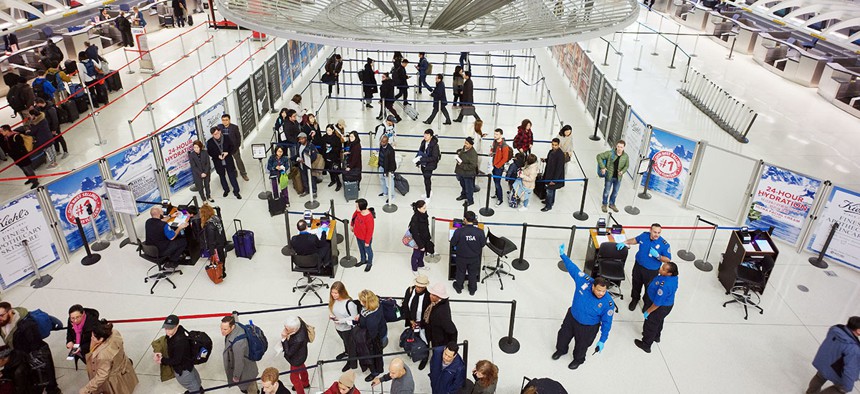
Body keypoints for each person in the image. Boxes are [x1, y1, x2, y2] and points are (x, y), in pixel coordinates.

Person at [553, 244, 615, 370]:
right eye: (599, 290)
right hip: (572, 317)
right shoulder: (584, 281)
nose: (601, 294)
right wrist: (563, 255)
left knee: (582, 346)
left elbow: (607, 322)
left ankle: (578, 359)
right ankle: (561, 350)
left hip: (588, 327)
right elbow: (573, 269)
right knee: (563, 336)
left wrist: (603, 340)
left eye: (604, 291)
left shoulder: (608, 304)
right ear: (593, 286)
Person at [618, 223, 672, 312]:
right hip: (638, 266)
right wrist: (625, 242)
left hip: (651, 271)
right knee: (636, 284)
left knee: (649, 288)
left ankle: (647, 304)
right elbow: (635, 240)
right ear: (650, 230)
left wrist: (658, 256)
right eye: (655, 232)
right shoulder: (644, 236)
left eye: (659, 233)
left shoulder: (664, 244)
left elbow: (668, 259)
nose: (656, 235)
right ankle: (635, 299)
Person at [9, 307, 60, 394]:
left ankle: (52, 389)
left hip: (34, 352)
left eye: (2, 315)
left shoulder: (26, 324)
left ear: (9, 312)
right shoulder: (6, 322)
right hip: (25, 352)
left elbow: (35, 343)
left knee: (44, 373)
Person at [81, 320, 140, 394]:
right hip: (122, 368)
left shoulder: (102, 355)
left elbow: (102, 375)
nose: (92, 338)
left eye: (93, 337)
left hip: (113, 380)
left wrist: (86, 389)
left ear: (101, 339)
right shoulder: (114, 333)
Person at [807, 316, 860, 394]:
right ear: (858, 330)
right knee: (839, 389)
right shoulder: (853, 349)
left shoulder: (835, 330)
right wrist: (847, 387)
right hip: (836, 370)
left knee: (819, 378)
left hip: (824, 362)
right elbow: (850, 370)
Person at [634, 262, 679, 353]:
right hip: (666, 305)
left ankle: (646, 344)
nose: (660, 269)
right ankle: (656, 336)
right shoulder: (673, 277)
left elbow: (658, 303)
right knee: (659, 321)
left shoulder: (665, 286)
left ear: (669, 273)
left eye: (663, 269)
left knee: (650, 324)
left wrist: (649, 311)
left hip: (659, 307)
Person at [155, 315, 202, 392]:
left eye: (170, 328)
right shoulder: (179, 331)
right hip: (189, 366)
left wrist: (162, 360)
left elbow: (176, 361)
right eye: (166, 328)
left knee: (194, 388)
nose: (167, 331)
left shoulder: (180, 343)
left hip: (183, 371)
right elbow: (166, 339)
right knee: (196, 383)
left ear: (177, 326)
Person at [450, 211, 486, 295]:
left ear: (464, 220)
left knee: (460, 272)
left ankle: (459, 287)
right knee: (472, 273)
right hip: (474, 258)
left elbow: (453, 243)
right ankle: (472, 289)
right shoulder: (480, 232)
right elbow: (483, 244)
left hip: (461, 257)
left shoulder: (459, 231)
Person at [221, 315, 259, 394]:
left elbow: (239, 362)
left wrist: (236, 376)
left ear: (232, 327)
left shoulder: (238, 343)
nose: (222, 331)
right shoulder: (237, 327)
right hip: (250, 366)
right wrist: (234, 315)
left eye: (225, 329)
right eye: (221, 328)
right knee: (252, 382)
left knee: (251, 387)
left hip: (245, 372)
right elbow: (236, 321)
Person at [356, 289, 386, 382]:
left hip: (375, 337)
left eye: (361, 300)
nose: (359, 302)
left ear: (366, 302)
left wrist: (360, 320)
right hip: (382, 329)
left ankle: (375, 372)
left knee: (374, 355)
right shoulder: (377, 302)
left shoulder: (371, 319)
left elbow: (372, 335)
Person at [329, 281, 360, 372]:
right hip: (338, 328)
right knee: (345, 343)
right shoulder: (333, 301)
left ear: (341, 292)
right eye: (332, 292)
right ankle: (346, 352)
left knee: (351, 346)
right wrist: (332, 317)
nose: (333, 295)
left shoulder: (349, 303)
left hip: (347, 329)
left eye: (336, 293)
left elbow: (354, 317)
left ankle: (351, 362)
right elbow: (334, 310)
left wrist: (341, 321)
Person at [207, 126, 242, 199]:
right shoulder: (210, 142)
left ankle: (236, 191)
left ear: (219, 132)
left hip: (228, 160)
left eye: (216, 133)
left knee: (232, 176)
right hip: (218, 162)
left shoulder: (226, 138)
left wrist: (227, 153)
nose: (216, 136)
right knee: (222, 176)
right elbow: (210, 152)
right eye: (214, 135)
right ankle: (226, 190)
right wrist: (217, 156)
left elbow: (232, 147)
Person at [597, 139, 629, 213]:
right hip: (609, 176)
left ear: (624, 147)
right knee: (606, 191)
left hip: (618, 178)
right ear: (616, 146)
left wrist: (622, 171)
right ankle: (604, 204)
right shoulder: (610, 153)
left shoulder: (626, 156)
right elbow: (599, 156)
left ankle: (612, 204)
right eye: (618, 146)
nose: (619, 148)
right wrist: (602, 167)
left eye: (621, 147)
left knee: (615, 192)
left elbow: (626, 166)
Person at [281, 316, 311, 394]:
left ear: (294, 330)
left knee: (294, 378)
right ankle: (305, 383)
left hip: (296, 359)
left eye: (287, 329)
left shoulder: (298, 339)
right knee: (302, 367)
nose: (284, 330)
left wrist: (284, 339)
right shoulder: (300, 324)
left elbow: (289, 352)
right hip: (302, 355)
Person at [217, 114, 248, 181]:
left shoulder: (234, 127)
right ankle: (234, 173)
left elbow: (238, 138)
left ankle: (243, 173)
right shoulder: (219, 127)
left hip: (234, 148)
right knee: (230, 162)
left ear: (229, 120)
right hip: (225, 149)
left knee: (238, 161)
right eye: (223, 120)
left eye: (226, 120)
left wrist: (237, 147)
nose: (225, 122)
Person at [200, 203, 228, 277]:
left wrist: (211, 251)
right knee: (221, 255)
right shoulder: (216, 218)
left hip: (216, 245)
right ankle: (223, 269)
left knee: (218, 258)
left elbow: (211, 240)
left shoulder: (209, 226)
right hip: (221, 241)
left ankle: (221, 272)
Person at [541, 138, 565, 212]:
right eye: (553, 145)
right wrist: (545, 160)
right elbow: (550, 159)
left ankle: (548, 206)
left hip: (554, 176)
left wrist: (554, 180)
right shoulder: (551, 151)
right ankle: (550, 201)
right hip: (549, 173)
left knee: (550, 190)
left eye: (555, 145)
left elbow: (559, 169)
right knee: (551, 190)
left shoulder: (560, 155)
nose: (554, 146)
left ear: (559, 145)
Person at [416, 129, 441, 200]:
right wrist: (417, 160)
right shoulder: (423, 142)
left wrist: (423, 160)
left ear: (431, 136)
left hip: (429, 165)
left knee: (427, 180)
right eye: (425, 134)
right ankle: (428, 191)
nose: (425, 136)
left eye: (427, 135)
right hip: (423, 164)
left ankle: (428, 195)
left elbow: (434, 157)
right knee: (425, 178)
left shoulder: (435, 146)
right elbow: (420, 151)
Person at [408, 201, 433, 273]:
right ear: (418, 209)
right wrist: (420, 245)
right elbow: (415, 234)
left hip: (424, 238)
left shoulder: (424, 214)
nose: (426, 209)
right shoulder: (415, 219)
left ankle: (421, 264)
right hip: (418, 240)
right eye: (424, 208)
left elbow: (426, 227)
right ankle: (414, 268)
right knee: (416, 254)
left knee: (422, 253)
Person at [490, 128, 512, 206]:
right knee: (495, 181)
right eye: (494, 134)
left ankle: (500, 199)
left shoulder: (504, 146)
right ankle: (496, 194)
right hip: (494, 165)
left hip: (498, 167)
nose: (495, 136)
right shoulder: (495, 142)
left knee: (497, 183)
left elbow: (505, 158)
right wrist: (492, 152)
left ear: (501, 135)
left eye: (497, 134)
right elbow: (493, 149)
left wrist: (498, 165)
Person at [455, 137, 479, 207]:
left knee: (469, 188)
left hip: (468, 174)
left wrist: (462, 165)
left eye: (467, 144)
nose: (465, 144)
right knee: (463, 185)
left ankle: (470, 200)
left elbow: (473, 166)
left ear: (471, 145)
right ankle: (463, 195)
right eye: (465, 142)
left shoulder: (473, 154)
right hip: (461, 172)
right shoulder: (464, 148)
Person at [351, 199, 375, 272]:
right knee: (361, 249)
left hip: (365, 238)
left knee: (368, 251)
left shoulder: (369, 218)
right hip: (358, 235)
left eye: (357, 206)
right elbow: (354, 216)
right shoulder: (358, 211)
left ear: (362, 207)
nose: (356, 208)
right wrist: (352, 225)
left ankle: (369, 263)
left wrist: (367, 242)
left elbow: (370, 231)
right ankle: (363, 260)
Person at [295, 132, 319, 198]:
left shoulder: (310, 146)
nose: (300, 140)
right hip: (301, 165)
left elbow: (314, 156)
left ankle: (314, 191)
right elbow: (297, 154)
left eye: (302, 139)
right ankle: (306, 190)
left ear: (305, 138)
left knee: (312, 178)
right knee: (304, 178)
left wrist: (306, 160)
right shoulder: (298, 145)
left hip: (308, 165)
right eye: (299, 139)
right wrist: (297, 159)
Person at [322, 124, 343, 191]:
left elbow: (339, 148)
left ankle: (339, 184)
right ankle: (332, 180)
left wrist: (332, 150)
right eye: (327, 130)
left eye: (330, 130)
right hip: (326, 156)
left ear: (333, 130)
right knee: (329, 169)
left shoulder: (336, 138)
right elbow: (322, 146)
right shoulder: (324, 137)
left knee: (335, 171)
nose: (328, 131)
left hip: (334, 157)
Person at [378, 135, 397, 202]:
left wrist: (390, 172)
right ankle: (385, 192)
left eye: (383, 142)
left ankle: (392, 196)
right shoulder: (381, 146)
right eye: (381, 141)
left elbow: (392, 162)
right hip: (381, 166)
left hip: (388, 169)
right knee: (382, 180)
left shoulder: (390, 150)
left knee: (389, 183)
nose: (382, 143)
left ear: (387, 141)